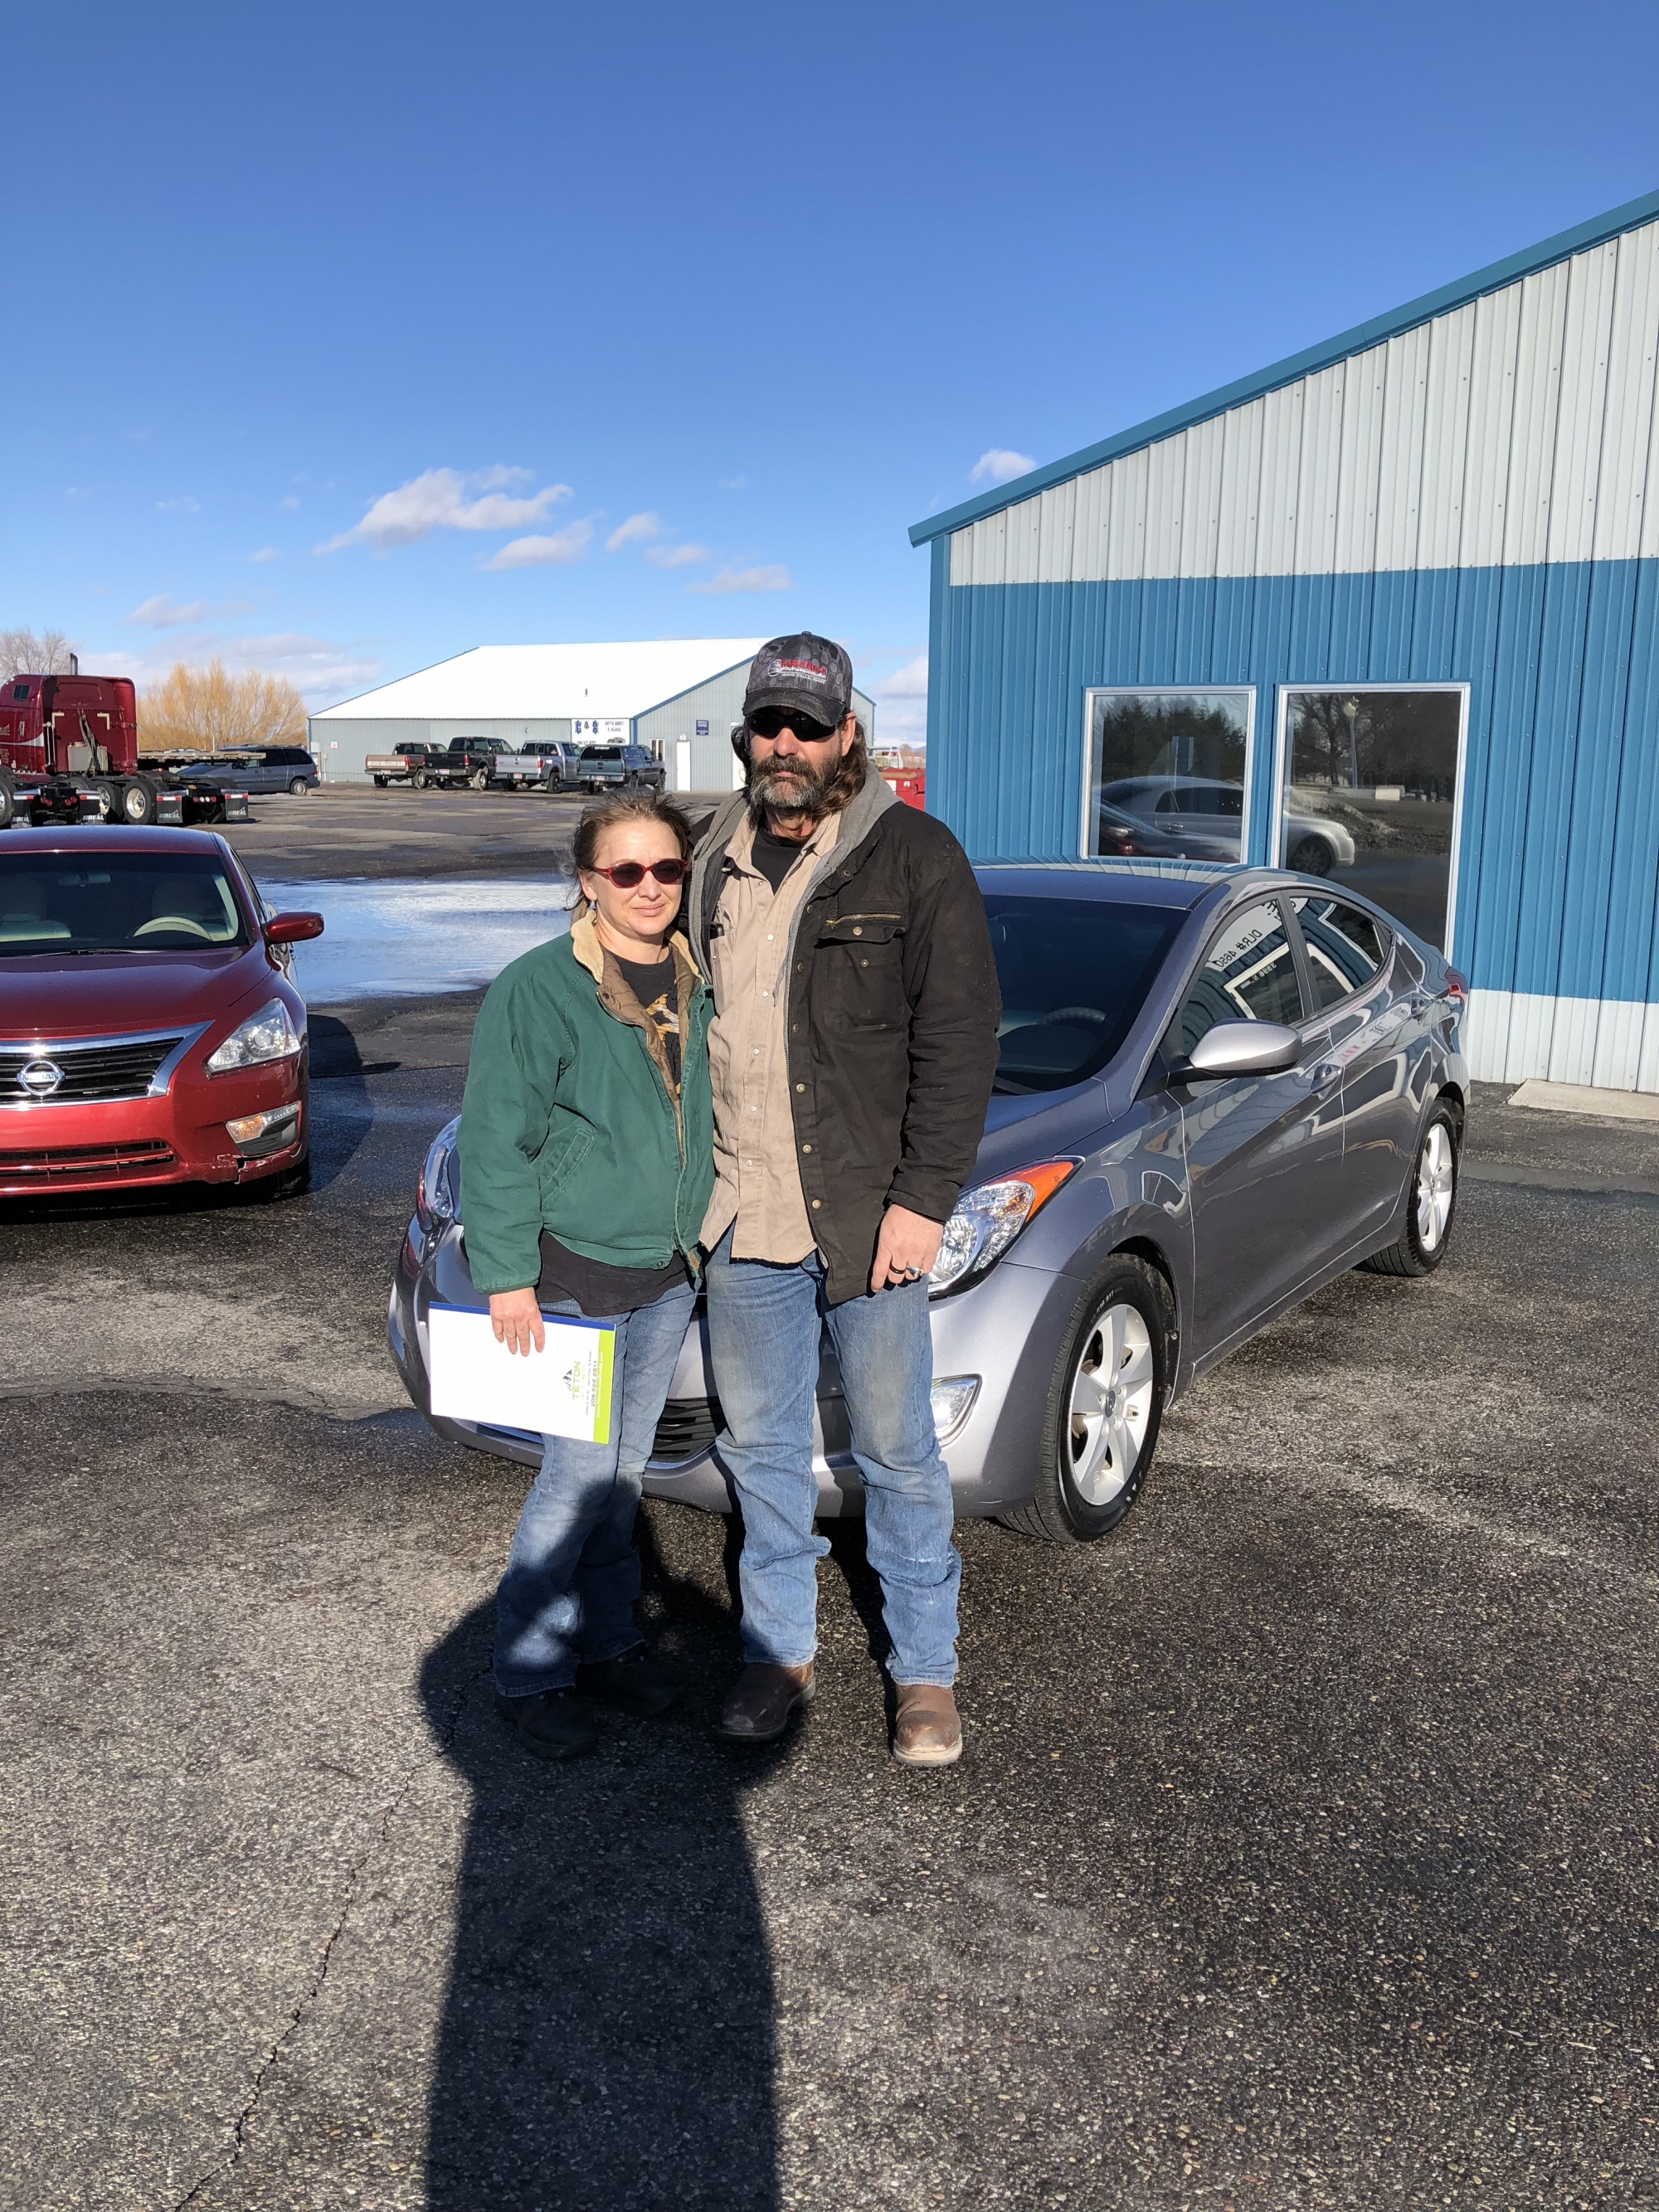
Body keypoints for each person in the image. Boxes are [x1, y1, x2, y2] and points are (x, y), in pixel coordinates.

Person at [688, 634, 1000, 1766]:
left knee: (896, 1452)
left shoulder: (914, 857)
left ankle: (924, 1670)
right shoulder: (709, 857)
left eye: (808, 727)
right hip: (739, 1214)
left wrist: (923, 1200)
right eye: (769, 724)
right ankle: (778, 1652)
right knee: (762, 1451)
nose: (787, 745)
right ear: (746, 734)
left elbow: (959, 1043)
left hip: (869, 1219)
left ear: (847, 735)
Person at [457, 791, 713, 1761]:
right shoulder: (538, 988)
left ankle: (607, 1643)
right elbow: (495, 1139)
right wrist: (506, 1276)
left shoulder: (695, 978)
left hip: (666, 1271)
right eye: (626, 870)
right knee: (573, 1479)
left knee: (622, 1476)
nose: (650, 888)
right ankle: (529, 1670)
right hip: (571, 1277)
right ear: (588, 881)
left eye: (666, 869)